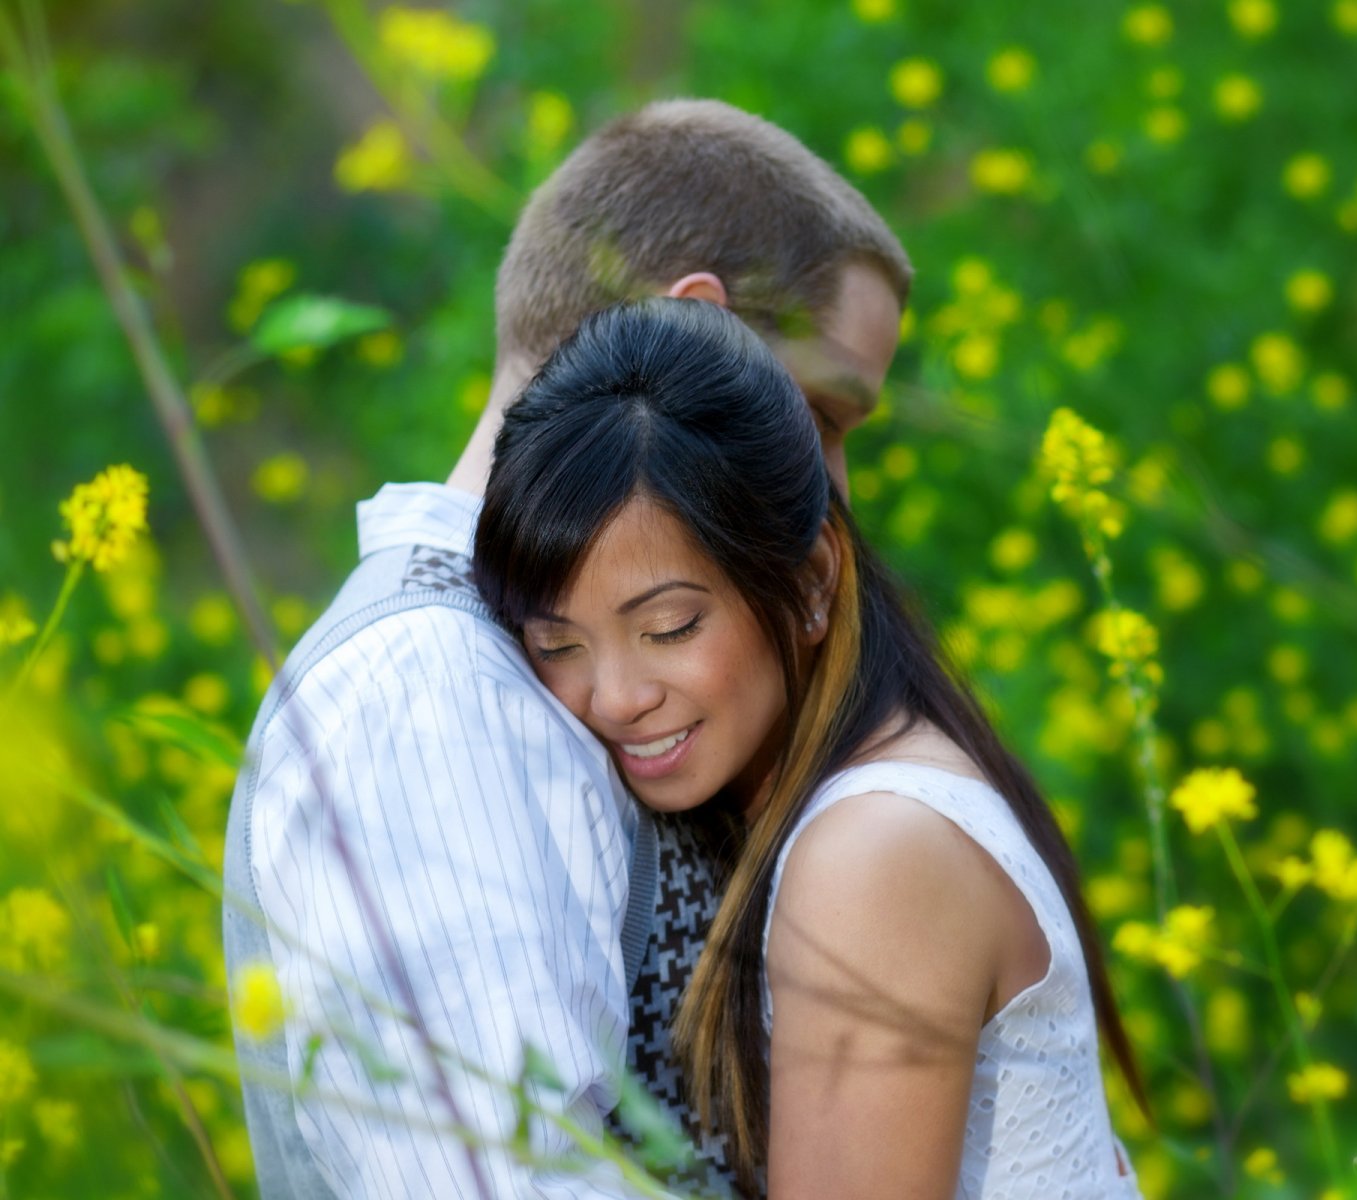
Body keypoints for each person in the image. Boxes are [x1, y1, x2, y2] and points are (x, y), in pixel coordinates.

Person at [222, 99, 909, 1198]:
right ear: (696, 334)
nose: (834, 492)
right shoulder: (433, 697)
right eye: (824, 417)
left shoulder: (536, 683)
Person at [470, 297, 1147, 1200]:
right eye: (558, 646)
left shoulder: (872, 854)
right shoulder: (879, 783)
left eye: (669, 627)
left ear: (814, 579)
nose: (617, 698)